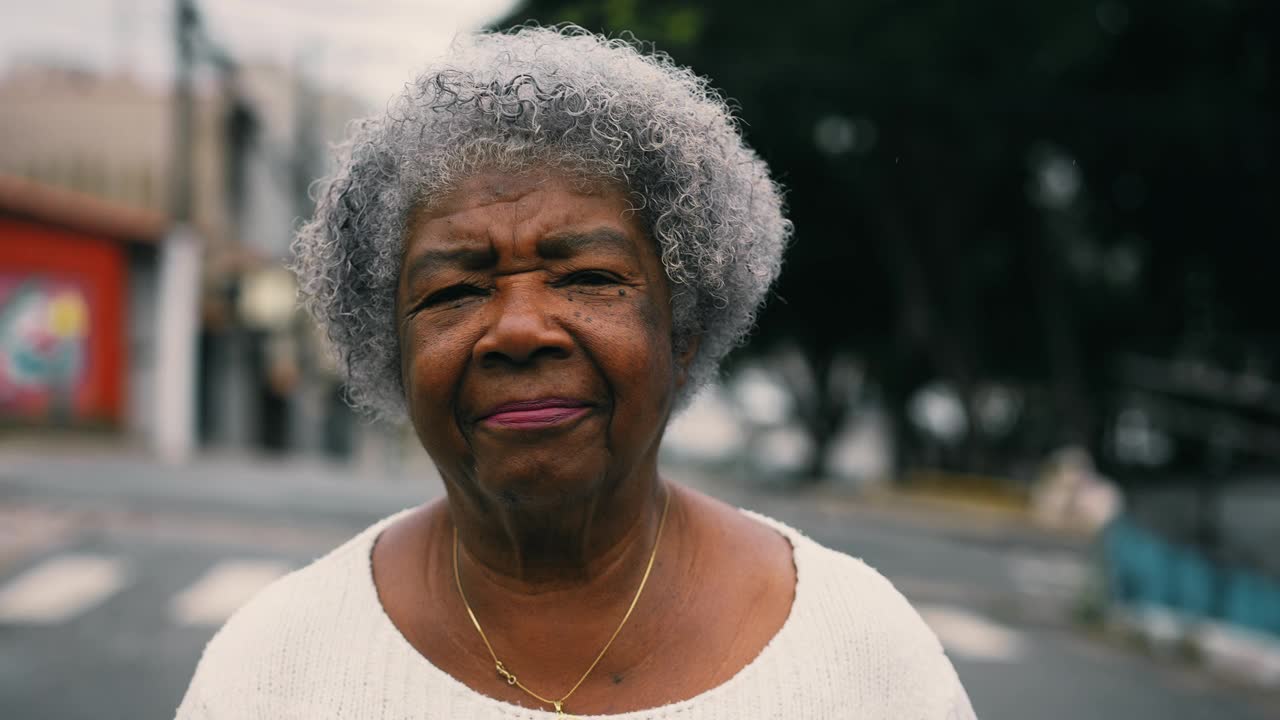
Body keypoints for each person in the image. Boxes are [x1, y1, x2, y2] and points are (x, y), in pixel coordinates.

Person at [176, 26, 976, 719]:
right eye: (454, 290)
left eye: (588, 277)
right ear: (393, 347)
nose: (519, 330)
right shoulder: (268, 673)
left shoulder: (868, 659)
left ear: (685, 330)